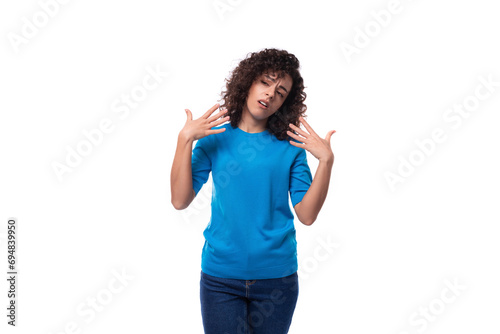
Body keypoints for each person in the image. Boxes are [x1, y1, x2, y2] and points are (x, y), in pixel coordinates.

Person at [170, 48, 335, 334]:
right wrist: (184, 140)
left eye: (281, 92)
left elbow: (307, 215)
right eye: (266, 82)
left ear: (285, 102)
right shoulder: (215, 138)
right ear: (248, 81)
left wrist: (326, 162)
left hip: (276, 280)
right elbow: (179, 199)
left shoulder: (290, 147)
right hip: (220, 277)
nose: (271, 94)